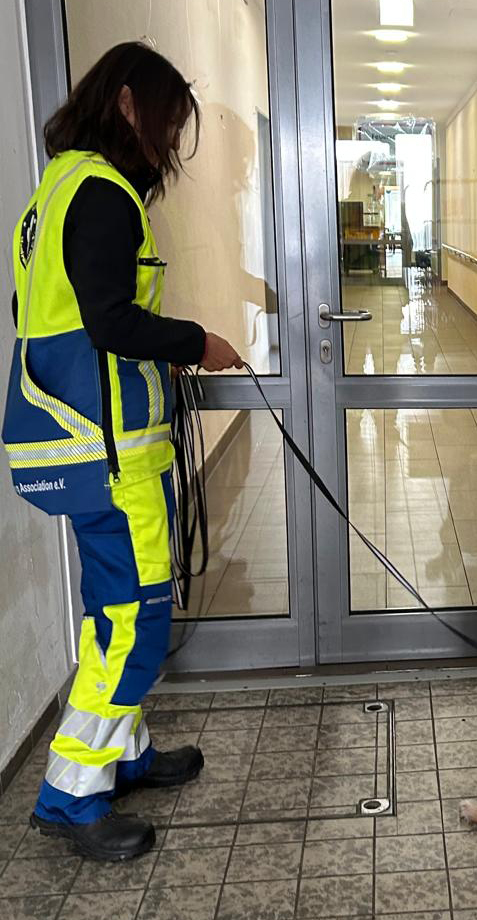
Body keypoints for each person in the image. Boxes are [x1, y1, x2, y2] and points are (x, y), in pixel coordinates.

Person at [2, 42, 243, 862]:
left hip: (79, 444)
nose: (169, 148)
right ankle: (71, 794)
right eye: (169, 125)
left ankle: (124, 754)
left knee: (112, 609)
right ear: (131, 105)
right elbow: (109, 320)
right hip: (109, 457)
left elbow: (29, 309)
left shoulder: (52, 193)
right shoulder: (101, 193)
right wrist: (195, 342)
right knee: (134, 621)